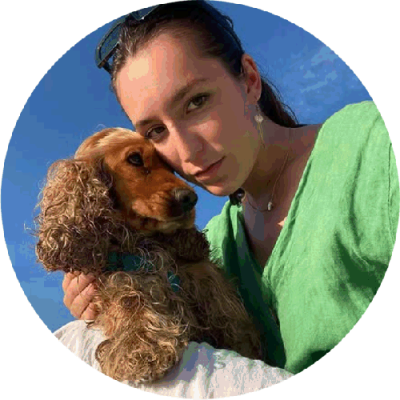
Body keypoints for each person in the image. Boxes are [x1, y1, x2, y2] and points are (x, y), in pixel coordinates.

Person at [59, 0, 398, 383]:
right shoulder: (217, 241)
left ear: (249, 80)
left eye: (196, 102)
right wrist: (98, 295)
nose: (186, 151)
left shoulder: (374, 149)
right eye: (156, 131)